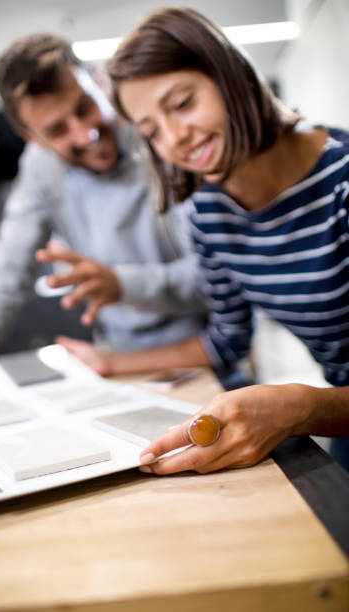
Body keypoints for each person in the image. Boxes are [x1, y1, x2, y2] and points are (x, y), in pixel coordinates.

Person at [63, 7, 349, 473]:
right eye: (151, 130)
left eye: (181, 104)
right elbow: (225, 341)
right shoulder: (210, 213)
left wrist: (299, 407)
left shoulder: (342, 184)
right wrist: (110, 362)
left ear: (230, 76)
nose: (174, 138)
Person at [0, 32, 206, 363]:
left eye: (85, 107)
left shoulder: (158, 132)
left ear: (98, 80)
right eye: (58, 130)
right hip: (116, 357)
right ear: (34, 139)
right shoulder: (41, 166)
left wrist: (122, 283)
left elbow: (216, 275)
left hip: (205, 351)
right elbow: (6, 268)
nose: (85, 134)